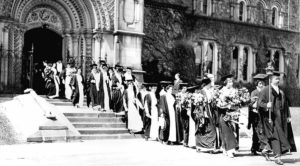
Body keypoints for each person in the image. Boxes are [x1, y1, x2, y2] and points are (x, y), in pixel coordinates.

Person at [258, 71, 297, 165]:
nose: (278, 80)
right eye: (276, 78)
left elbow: (286, 105)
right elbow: (260, 103)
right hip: (271, 118)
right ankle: (277, 157)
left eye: (279, 78)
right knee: (276, 137)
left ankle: (265, 149)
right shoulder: (266, 90)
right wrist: (266, 105)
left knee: (281, 135)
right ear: (271, 79)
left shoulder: (281, 91)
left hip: (281, 118)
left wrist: (288, 116)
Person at [217, 74, 239, 158]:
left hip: (233, 113)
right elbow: (219, 103)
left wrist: (234, 104)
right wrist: (226, 105)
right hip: (224, 113)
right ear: (226, 82)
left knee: (233, 131)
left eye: (232, 81)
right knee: (226, 131)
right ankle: (228, 149)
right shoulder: (221, 91)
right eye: (229, 81)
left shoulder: (235, 91)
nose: (231, 83)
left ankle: (228, 148)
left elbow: (237, 101)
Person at [195, 78, 217, 152]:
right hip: (204, 111)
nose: (211, 85)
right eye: (210, 83)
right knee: (204, 127)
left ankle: (209, 145)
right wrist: (202, 113)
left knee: (211, 128)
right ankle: (201, 145)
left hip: (209, 110)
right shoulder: (201, 91)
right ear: (207, 84)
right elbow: (199, 103)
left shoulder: (208, 91)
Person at [248, 74, 267, 155]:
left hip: (263, 114)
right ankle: (255, 147)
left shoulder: (265, 92)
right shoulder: (254, 92)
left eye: (262, 83)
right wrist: (254, 101)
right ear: (257, 84)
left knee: (263, 130)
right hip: (255, 114)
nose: (261, 85)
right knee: (256, 131)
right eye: (260, 83)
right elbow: (251, 103)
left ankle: (260, 147)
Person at [177, 83, 190, 147]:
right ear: (181, 89)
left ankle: (186, 141)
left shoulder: (187, 94)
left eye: (186, 88)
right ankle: (183, 140)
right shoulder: (179, 94)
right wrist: (183, 100)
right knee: (184, 126)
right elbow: (178, 104)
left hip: (187, 111)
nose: (185, 89)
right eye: (184, 88)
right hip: (182, 112)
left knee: (187, 126)